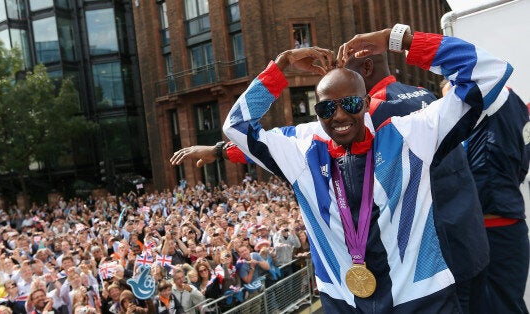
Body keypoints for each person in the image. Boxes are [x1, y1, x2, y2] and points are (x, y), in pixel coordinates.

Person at [218, 24, 511, 312]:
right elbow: (236, 126)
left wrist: (397, 38)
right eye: (327, 108)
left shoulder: (410, 135)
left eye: (351, 103)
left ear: (367, 102)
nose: (340, 116)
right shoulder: (300, 150)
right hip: (343, 301)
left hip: (422, 299)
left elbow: (489, 73)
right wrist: (281, 67)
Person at [441, 79, 530, 313]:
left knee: (500, 306)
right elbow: (522, 164)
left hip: (494, 231)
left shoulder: (494, 105)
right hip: (497, 227)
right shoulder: (515, 108)